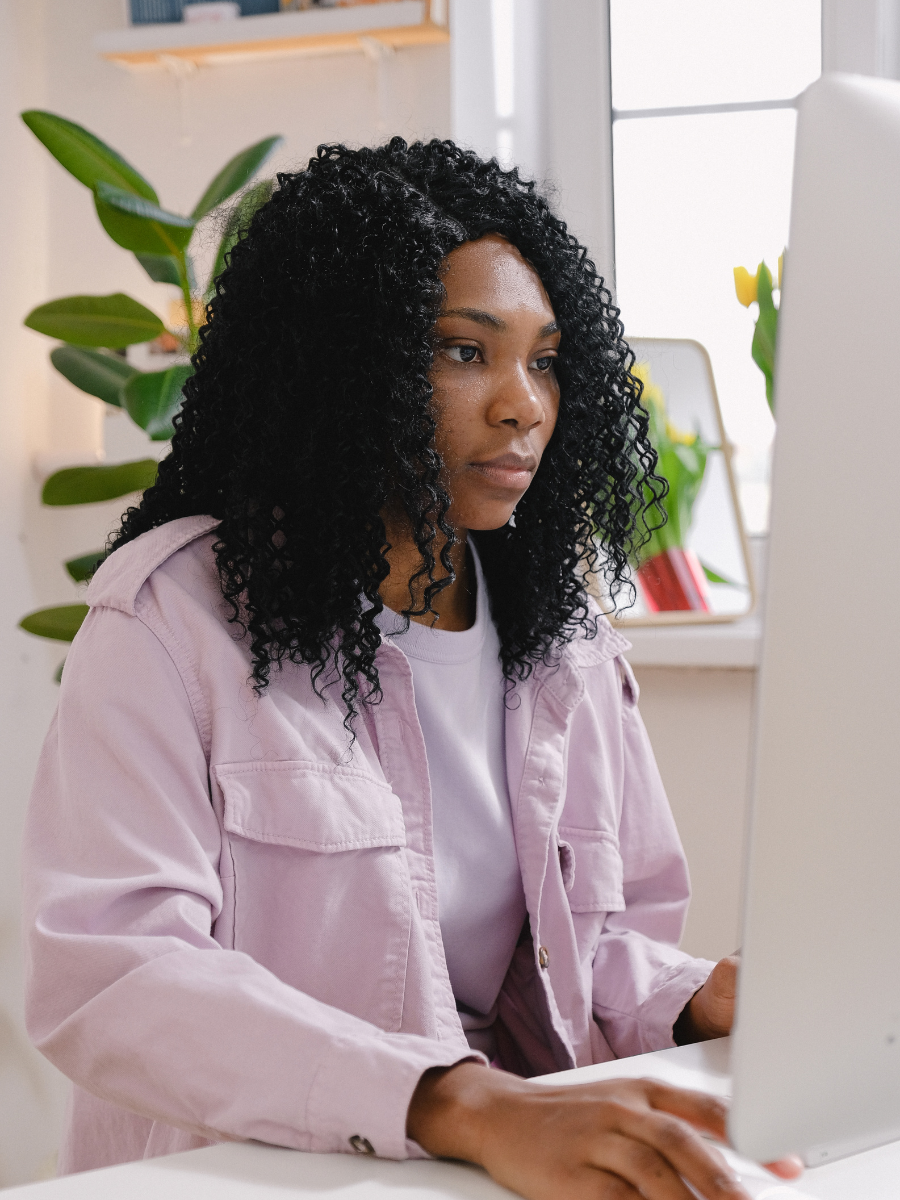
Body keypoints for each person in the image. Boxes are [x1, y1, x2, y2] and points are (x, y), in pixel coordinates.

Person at [22, 138, 800, 1199]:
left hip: (490, 1162)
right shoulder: (169, 618)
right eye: (464, 352)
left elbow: (600, 946)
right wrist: (459, 1102)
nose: (523, 402)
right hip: (256, 1175)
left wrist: (709, 994)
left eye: (545, 358)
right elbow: (117, 980)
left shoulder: (561, 639)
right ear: (344, 367)